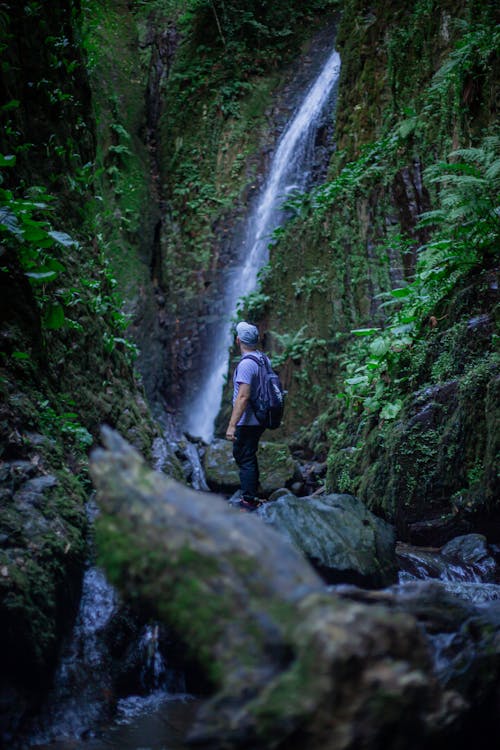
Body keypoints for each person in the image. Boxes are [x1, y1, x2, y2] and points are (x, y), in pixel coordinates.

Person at [225, 321, 265, 511]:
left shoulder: (246, 365)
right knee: (248, 454)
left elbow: (243, 397)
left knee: (244, 457)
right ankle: (252, 495)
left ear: (238, 340)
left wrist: (232, 425)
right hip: (259, 418)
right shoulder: (262, 359)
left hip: (248, 421)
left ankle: (248, 500)